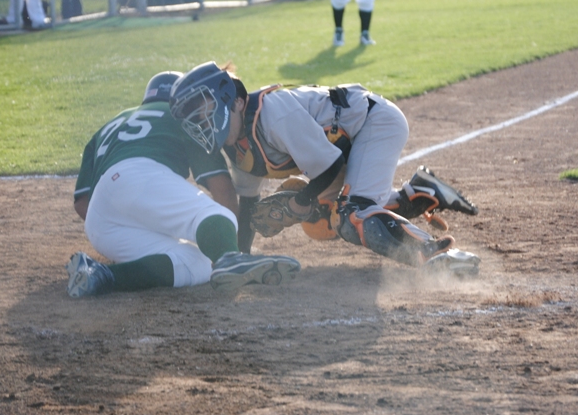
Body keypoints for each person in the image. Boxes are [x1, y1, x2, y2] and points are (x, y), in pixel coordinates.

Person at [169, 62, 481, 276]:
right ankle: (420, 192)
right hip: (344, 145)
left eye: (206, 111)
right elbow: (248, 204)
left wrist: (300, 202)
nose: (201, 123)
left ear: (236, 102)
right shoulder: (239, 146)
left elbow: (330, 167)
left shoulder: (272, 114)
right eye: (195, 119)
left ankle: (437, 254)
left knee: (351, 215)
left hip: (373, 123)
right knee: (323, 219)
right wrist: (240, 259)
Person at [67, 71, 301, 298]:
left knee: (198, 263)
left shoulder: (108, 126)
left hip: (100, 223)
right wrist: (230, 245)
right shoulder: (184, 117)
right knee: (216, 214)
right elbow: (222, 188)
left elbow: (82, 203)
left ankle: (101, 275)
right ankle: (231, 259)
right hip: (140, 177)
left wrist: (144, 218)